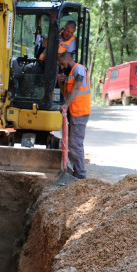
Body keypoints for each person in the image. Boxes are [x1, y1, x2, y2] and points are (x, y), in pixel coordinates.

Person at [57, 51, 91, 179]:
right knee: (71, 144)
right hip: (74, 112)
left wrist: (65, 105)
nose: (61, 67)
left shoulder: (79, 70)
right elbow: (68, 94)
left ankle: (80, 175)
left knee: (75, 144)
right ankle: (77, 172)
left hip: (80, 112)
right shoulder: (71, 73)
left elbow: (76, 89)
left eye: (62, 63)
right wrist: (61, 83)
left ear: (68, 59)